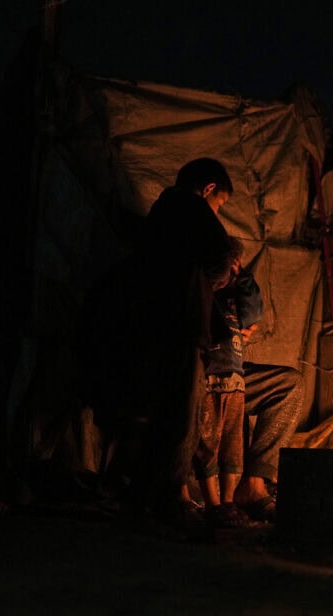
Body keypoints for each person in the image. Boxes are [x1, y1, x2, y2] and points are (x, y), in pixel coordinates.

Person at [78, 157, 234, 540]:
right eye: (220, 204)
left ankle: (140, 500)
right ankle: (170, 502)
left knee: (158, 413)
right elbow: (219, 256)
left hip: (153, 324)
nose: (217, 210)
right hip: (181, 323)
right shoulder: (190, 206)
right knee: (181, 415)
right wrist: (208, 280)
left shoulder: (160, 215)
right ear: (210, 189)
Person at [190, 237, 260, 529]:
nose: (230, 272)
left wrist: (242, 276)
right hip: (209, 379)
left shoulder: (233, 298)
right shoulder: (201, 293)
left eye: (235, 267)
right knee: (208, 441)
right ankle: (212, 503)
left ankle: (228, 501)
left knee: (233, 444)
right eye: (227, 266)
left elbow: (253, 312)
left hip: (235, 380)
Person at [232, 361, 305, 522]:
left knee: (290, 384)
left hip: (230, 363)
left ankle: (254, 483)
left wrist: (236, 337)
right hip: (200, 362)